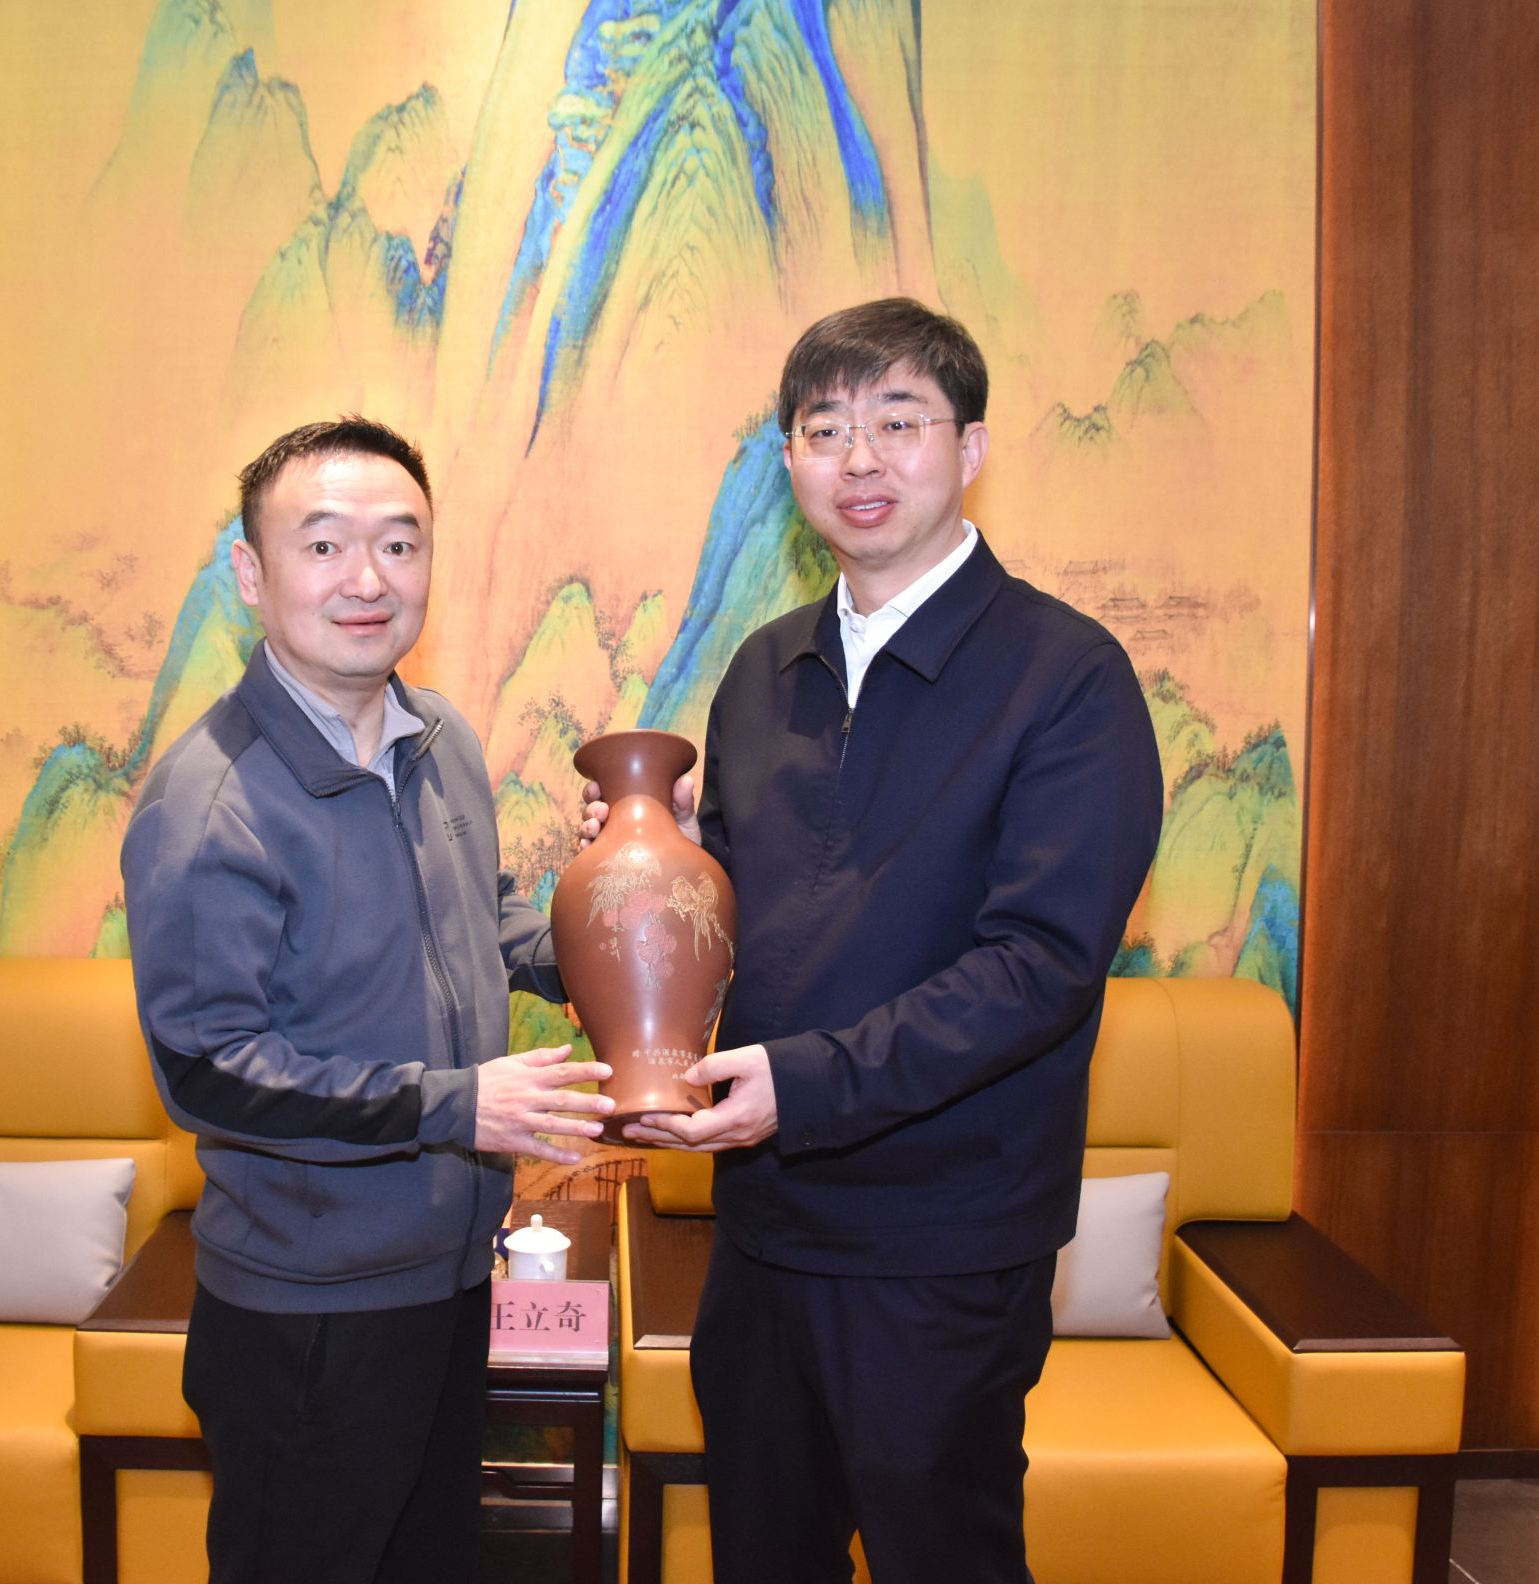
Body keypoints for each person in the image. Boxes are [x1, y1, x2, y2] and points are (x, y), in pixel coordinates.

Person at [585, 299, 1164, 1582]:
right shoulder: (761, 670)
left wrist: (802, 1084)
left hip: (944, 1244)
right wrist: (650, 865)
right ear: (787, 461)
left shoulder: (1067, 677)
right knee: (761, 1554)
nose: (858, 458)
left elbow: (1039, 967)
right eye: (823, 427)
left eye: (898, 422)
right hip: (762, 1227)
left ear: (969, 449)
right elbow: (733, 915)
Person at [122, 416, 614, 1584]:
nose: (366, 580)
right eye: (323, 545)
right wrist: (454, 1106)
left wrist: (619, 913)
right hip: (306, 1314)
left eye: (398, 545)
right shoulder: (208, 802)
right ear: (251, 574)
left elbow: (488, 923)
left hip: (454, 1280)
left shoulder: (439, 739)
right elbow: (207, 1071)